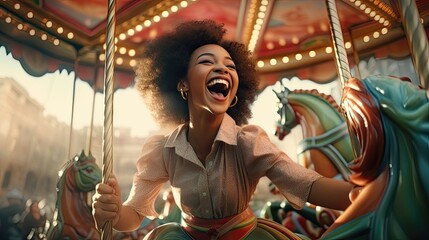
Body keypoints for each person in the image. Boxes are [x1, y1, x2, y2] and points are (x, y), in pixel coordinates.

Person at [92, 19, 355, 239]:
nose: (222, 68)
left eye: (230, 66)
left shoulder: (248, 141)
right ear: (183, 84)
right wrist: (114, 213)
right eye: (207, 62)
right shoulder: (162, 149)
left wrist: (370, 192)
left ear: (234, 93)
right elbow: (134, 214)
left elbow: (307, 185)